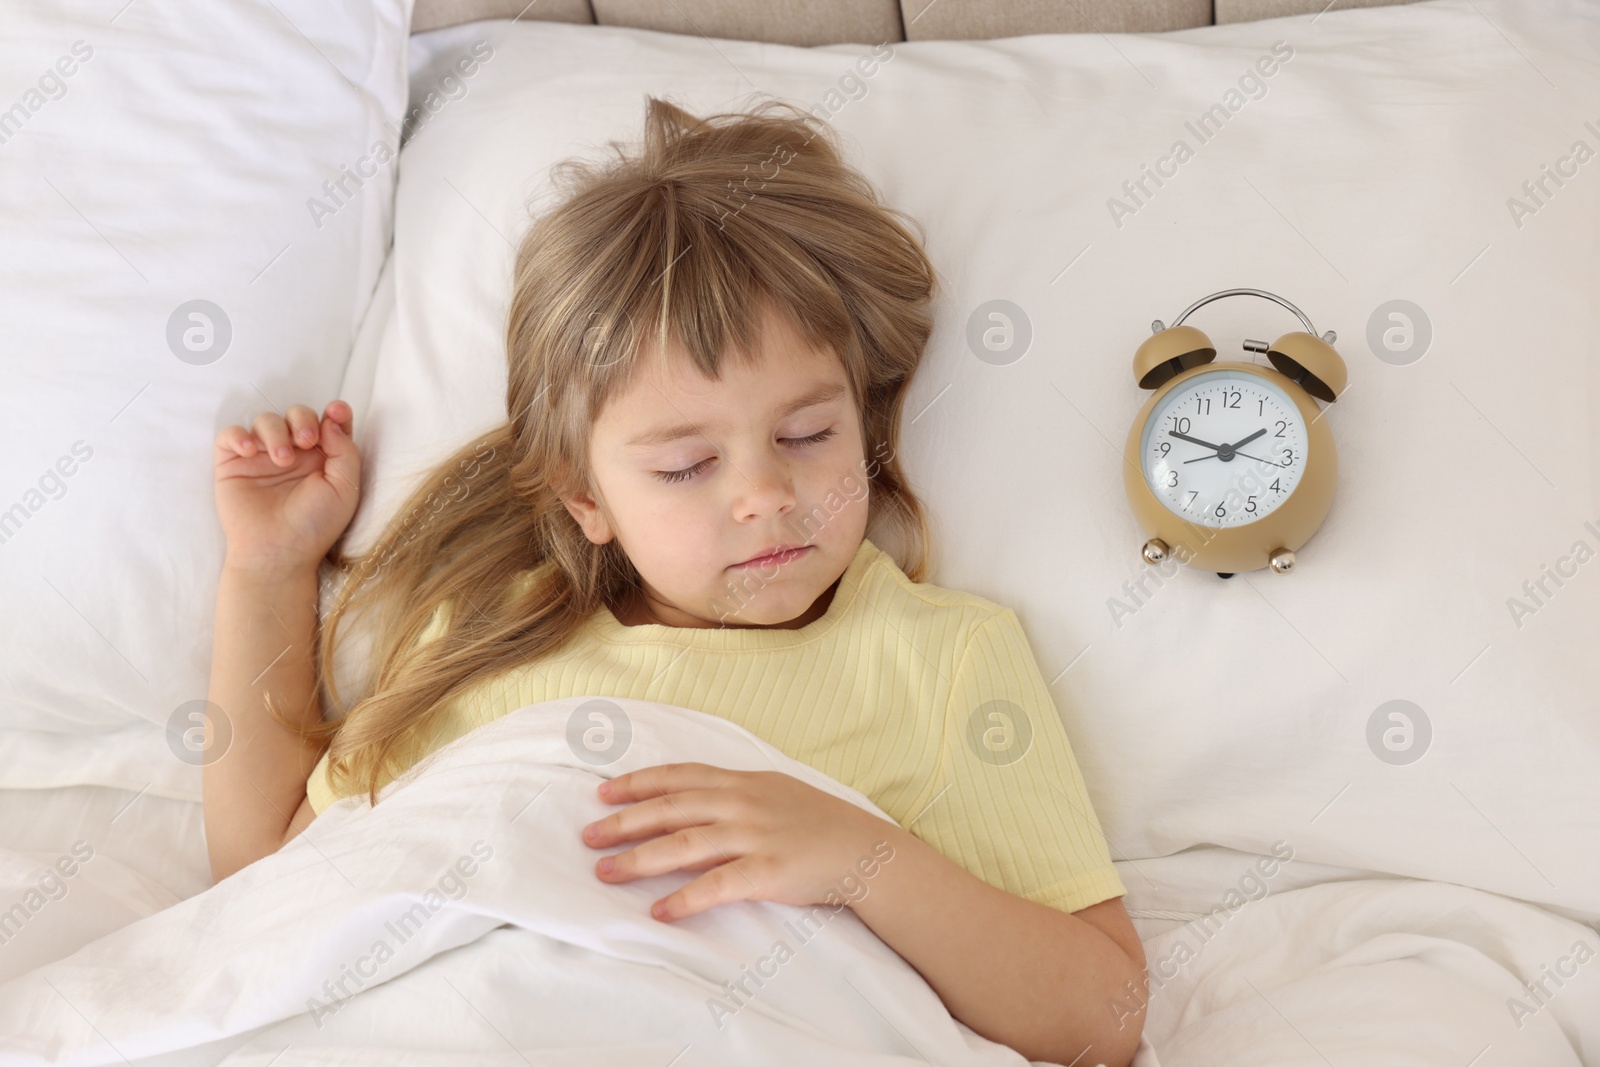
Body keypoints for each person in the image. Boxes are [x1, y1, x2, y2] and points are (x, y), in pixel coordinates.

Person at [206, 95, 1148, 1066]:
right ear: (584, 498)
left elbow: (1102, 1014)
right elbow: (270, 885)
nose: (766, 495)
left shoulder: (941, 661)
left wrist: (857, 857)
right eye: (687, 466)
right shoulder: (490, 636)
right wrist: (268, 568)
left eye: (805, 435)